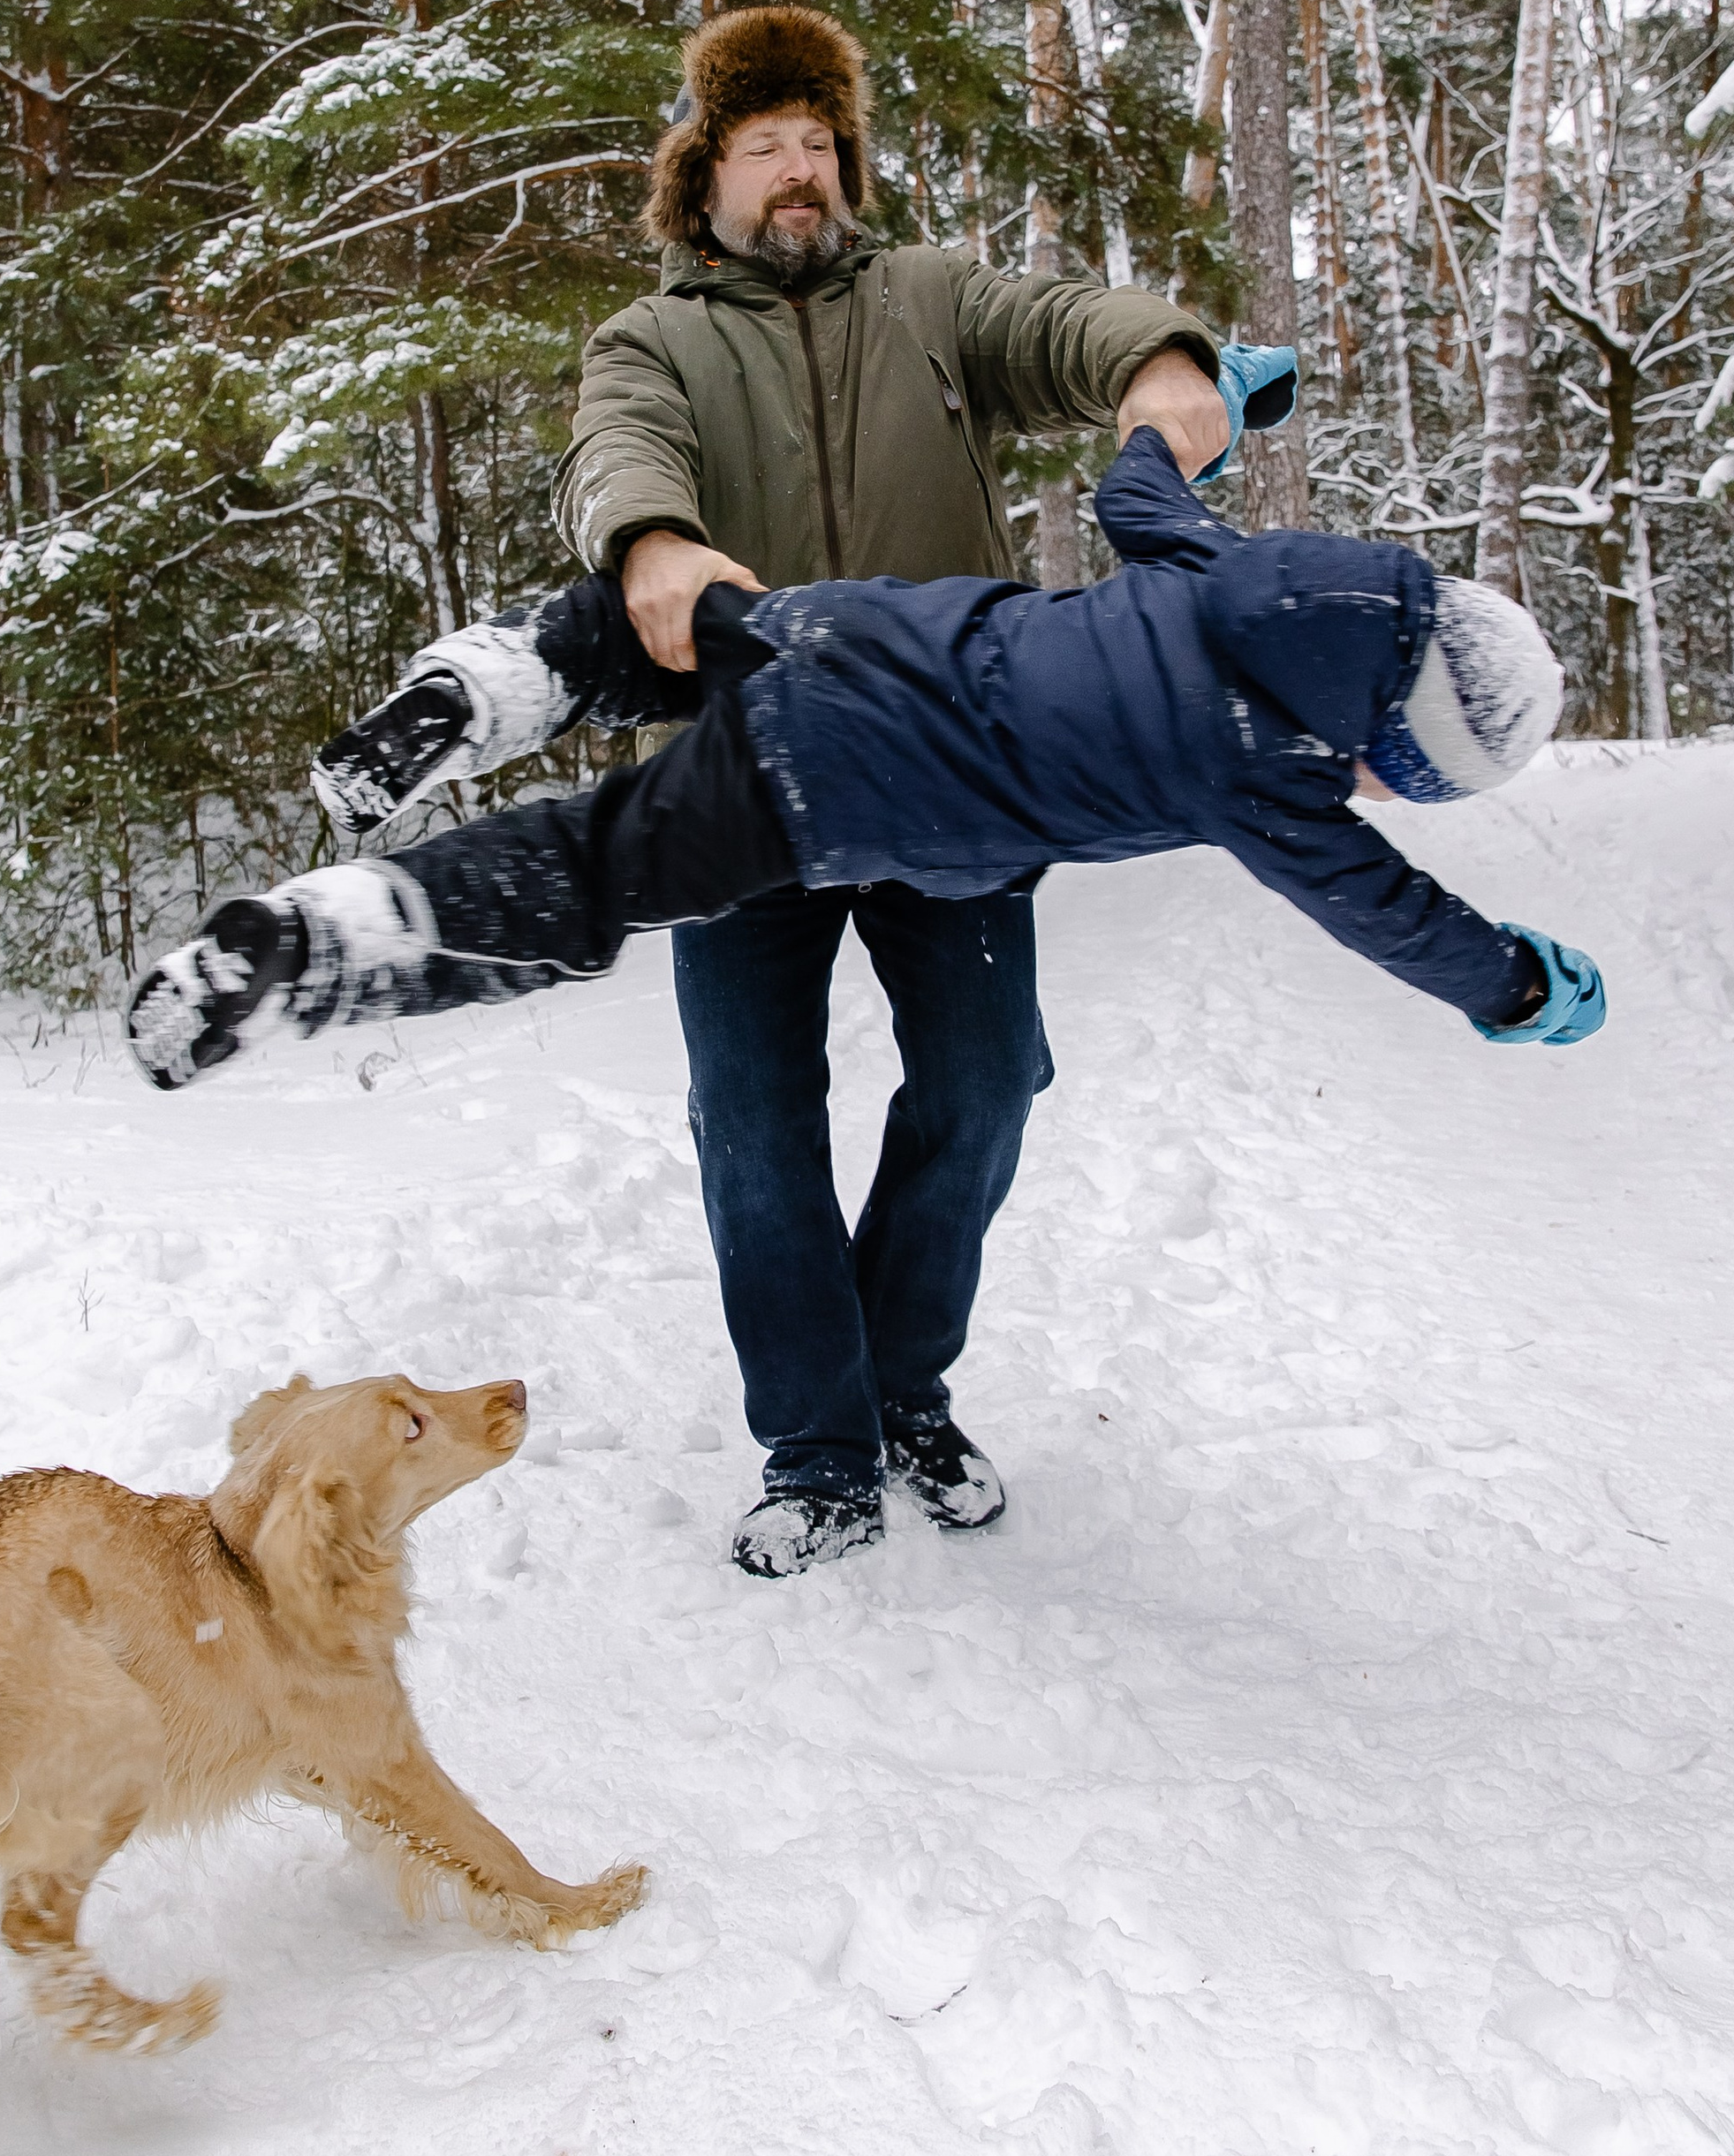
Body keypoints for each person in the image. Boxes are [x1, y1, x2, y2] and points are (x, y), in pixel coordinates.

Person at [127, 419, 1607, 1570]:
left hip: (850, 628)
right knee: (595, 869)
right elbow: (1388, 912)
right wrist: (1518, 983)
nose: (1370, 795)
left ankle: (492, 680)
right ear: (1386, 740)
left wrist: (1208, 405)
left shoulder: (1214, 567)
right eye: (1399, 778)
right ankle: (329, 947)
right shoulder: (1267, 765)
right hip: (833, 790)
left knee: (654, 637)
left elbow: (1136, 478)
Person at [314, 3, 1235, 1576]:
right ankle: (816, 1449)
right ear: (707, 173)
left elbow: (1062, 324)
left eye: (820, 141)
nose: (798, 167)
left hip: (951, 771)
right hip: (736, 785)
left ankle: (903, 1388)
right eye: (764, 144)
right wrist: (653, 540)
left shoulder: (933, 300)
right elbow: (617, 450)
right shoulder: (652, 339)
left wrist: (1158, 362)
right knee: (755, 1123)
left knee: (985, 1086)